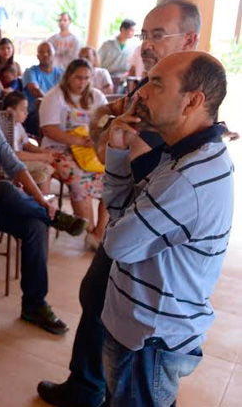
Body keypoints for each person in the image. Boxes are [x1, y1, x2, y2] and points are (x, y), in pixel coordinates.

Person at [38, 0, 205, 407]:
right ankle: (87, 384)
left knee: (133, 340)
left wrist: (111, 132)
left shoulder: (187, 96)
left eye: (157, 35)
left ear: (190, 38)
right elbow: (108, 141)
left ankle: (94, 388)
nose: (146, 44)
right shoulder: (148, 89)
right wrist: (109, 131)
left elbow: (128, 149)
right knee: (97, 297)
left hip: (150, 233)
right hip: (128, 214)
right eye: (144, 35)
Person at [99, 51, 232, 407]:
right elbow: (120, 213)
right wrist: (116, 149)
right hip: (142, 327)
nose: (141, 93)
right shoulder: (184, 157)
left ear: (193, 101)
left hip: (150, 340)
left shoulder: (188, 178)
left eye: (156, 84)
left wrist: (120, 224)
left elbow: (115, 244)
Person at [0, 77, 84, 334]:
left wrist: (39, 199)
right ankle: (55, 217)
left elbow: (15, 166)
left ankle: (34, 305)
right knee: (3, 188)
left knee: (34, 225)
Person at [39, 58, 108, 250]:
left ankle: (99, 232)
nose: (83, 82)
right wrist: (78, 141)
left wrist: (93, 140)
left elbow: (106, 124)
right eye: (79, 77)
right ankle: (91, 230)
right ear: (69, 76)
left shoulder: (97, 97)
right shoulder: (55, 97)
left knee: (112, 178)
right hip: (59, 149)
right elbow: (48, 130)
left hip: (89, 150)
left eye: (87, 78)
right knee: (78, 181)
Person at [4, 91, 55, 194]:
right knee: (45, 167)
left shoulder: (18, 125)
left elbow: (27, 145)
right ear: (10, 111)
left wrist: (43, 151)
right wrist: (43, 157)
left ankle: (38, 200)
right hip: (9, 165)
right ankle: (43, 202)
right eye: (23, 110)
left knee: (42, 174)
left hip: (20, 161)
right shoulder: (7, 129)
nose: (26, 113)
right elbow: (16, 155)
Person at [23, 41, 64, 135]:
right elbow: (35, 90)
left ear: (54, 55)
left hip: (59, 111)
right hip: (35, 113)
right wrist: (51, 105)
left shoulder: (62, 73)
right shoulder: (30, 72)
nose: (45, 54)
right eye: (42, 52)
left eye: (49, 52)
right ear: (37, 56)